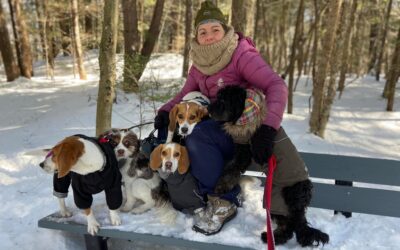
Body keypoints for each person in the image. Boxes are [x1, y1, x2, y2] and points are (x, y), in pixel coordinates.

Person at [153, 0, 288, 235]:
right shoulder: (199, 63)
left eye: (215, 29)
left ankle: (224, 200)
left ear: (225, 31)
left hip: (244, 135)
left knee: (198, 135)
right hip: (219, 132)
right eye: (202, 31)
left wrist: (267, 129)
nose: (209, 36)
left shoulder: (241, 54)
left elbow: (276, 85)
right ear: (196, 36)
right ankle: (194, 195)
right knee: (181, 134)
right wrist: (165, 111)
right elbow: (185, 94)